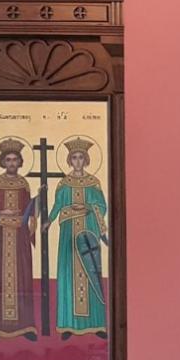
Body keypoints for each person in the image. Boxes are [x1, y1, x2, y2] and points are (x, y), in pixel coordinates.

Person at [0, 139, 37, 343]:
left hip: (19, 241)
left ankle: (25, 327)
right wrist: (1, 213)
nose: (11, 163)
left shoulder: (23, 185)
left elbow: (29, 211)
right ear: (3, 162)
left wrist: (34, 216)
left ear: (20, 162)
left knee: (22, 279)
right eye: (8, 159)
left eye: (15, 160)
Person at [48, 138, 109, 339]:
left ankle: (96, 325)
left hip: (88, 232)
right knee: (68, 275)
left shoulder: (94, 183)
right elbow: (57, 205)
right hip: (68, 234)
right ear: (69, 160)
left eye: (80, 157)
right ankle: (68, 325)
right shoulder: (64, 184)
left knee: (92, 272)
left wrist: (88, 207)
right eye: (74, 157)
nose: (77, 161)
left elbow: (102, 206)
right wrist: (48, 220)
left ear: (86, 159)